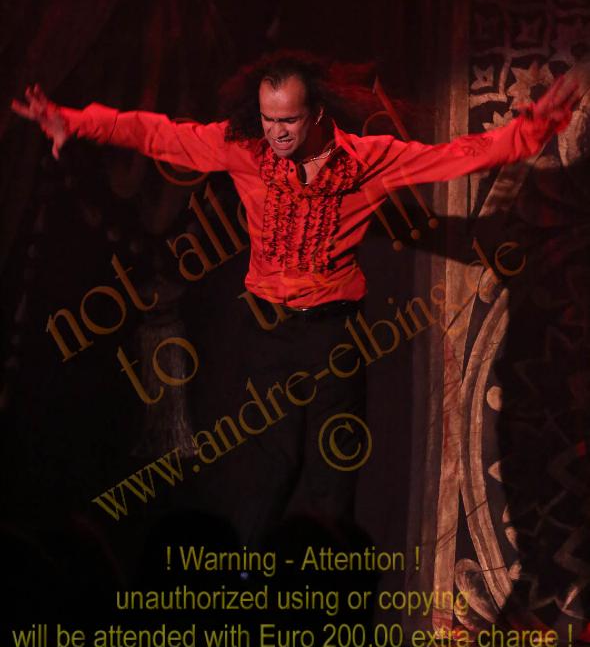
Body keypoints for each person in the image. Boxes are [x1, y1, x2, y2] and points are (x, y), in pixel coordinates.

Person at [11, 51, 579, 545]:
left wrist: (531, 129)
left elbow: (458, 155)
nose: (277, 133)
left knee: (335, 467)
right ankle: (245, 590)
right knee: (269, 466)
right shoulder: (245, 150)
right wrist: (74, 121)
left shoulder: (366, 159)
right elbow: (158, 133)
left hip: (334, 334)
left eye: (288, 120)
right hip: (269, 333)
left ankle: (332, 592)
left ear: (316, 114)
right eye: (268, 119)